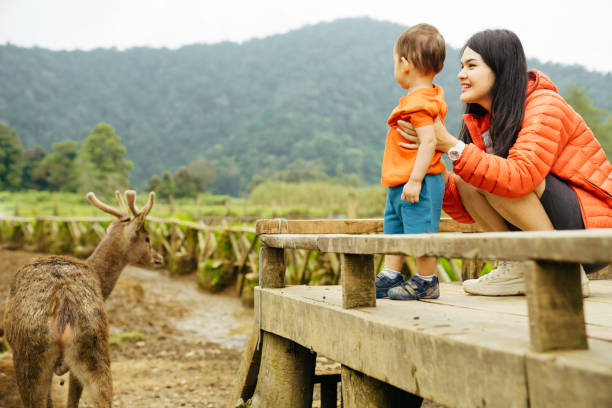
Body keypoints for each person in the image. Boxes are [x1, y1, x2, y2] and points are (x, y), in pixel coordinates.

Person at [395, 29, 612, 296]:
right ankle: (517, 263)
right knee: (471, 175)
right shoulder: (482, 121)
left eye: (471, 66)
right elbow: (468, 207)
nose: (461, 75)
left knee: (493, 171)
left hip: (593, 230)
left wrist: (452, 146)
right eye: (461, 66)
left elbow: (521, 177)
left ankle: (562, 268)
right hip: (555, 223)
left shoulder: (545, 105)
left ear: (501, 68)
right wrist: (431, 158)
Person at [375, 23, 448, 301]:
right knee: (395, 228)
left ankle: (426, 281)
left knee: (421, 232)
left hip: (418, 182)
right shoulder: (424, 97)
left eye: (395, 61)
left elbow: (429, 142)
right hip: (400, 180)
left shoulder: (420, 103)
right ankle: (391, 274)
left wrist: (416, 180)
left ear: (404, 64)